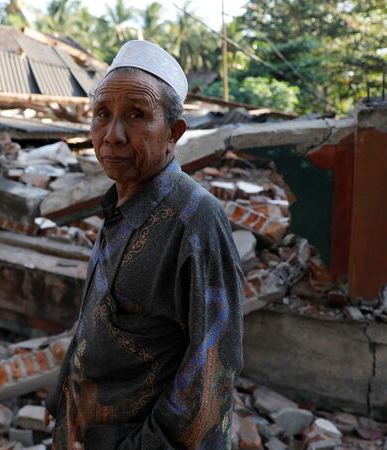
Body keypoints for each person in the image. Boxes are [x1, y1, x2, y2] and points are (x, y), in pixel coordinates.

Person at [46, 40, 244, 449]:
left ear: (173, 133)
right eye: (102, 114)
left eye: (136, 115)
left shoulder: (196, 221)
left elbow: (210, 381)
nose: (112, 135)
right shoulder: (120, 204)